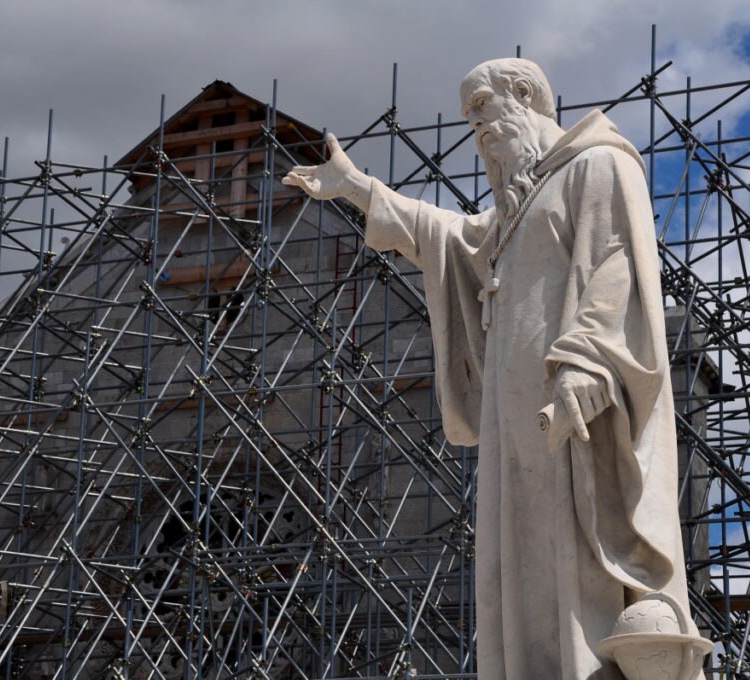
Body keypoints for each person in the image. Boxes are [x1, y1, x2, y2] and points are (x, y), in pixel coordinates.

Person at [283, 58, 703, 679]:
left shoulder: (597, 163)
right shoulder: (513, 212)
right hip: (515, 418)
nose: (474, 125)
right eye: (467, 115)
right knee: (522, 555)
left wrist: (587, 359)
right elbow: (448, 237)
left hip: (572, 396)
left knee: (578, 541)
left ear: (525, 96)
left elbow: (617, 261)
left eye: (481, 105)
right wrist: (358, 188)